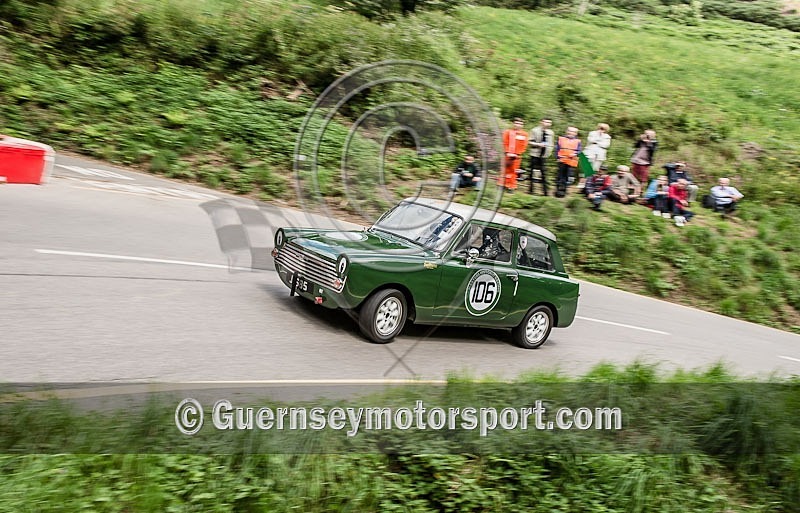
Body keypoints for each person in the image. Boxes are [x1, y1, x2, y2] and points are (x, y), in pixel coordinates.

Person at [527, 118, 555, 195]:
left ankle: (545, 191)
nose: (547, 124)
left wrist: (549, 152)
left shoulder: (550, 132)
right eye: (546, 122)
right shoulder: (535, 130)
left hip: (544, 155)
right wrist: (538, 144)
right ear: (541, 122)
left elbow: (551, 144)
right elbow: (529, 141)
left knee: (544, 173)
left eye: (549, 122)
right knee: (532, 172)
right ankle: (531, 190)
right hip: (535, 154)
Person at [500, 118, 528, 192]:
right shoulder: (508, 132)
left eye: (520, 124)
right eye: (517, 123)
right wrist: (507, 152)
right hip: (507, 154)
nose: (518, 125)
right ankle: (503, 185)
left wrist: (517, 154)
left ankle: (511, 186)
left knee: (514, 171)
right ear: (513, 124)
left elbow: (524, 145)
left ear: (522, 125)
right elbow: (504, 143)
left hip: (517, 156)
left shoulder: (524, 134)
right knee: (505, 170)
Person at [554, 126, 582, 197]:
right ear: (567, 131)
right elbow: (557, 149)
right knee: (560, 176)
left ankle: (563, 191)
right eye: (570, 131)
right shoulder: (561, 139)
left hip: (571, 161)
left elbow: (579, 151)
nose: (571, 133)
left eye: (574, 132)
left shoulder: (578, 141)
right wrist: (557, 157)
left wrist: (575, 153)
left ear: (576, 133)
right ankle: (557, 190)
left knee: (567, 177)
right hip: (562, 160)